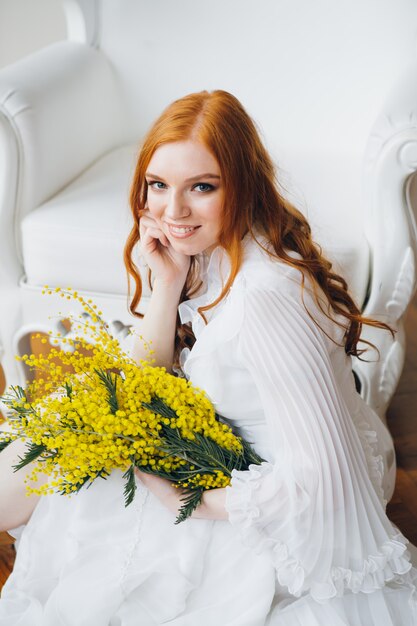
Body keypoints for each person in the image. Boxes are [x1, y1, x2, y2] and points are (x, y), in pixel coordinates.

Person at [0, 89, 416, 626]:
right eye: (158, 185)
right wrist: (167, 287)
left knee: (54, 498)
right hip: (216, 439)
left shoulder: (266, 299)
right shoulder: (212, 252)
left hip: (266, 490)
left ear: (241, 186)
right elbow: (150, 376)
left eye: (201, 187)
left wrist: (196, 502)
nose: (172, 211)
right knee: (49, 441)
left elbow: (322, 479)